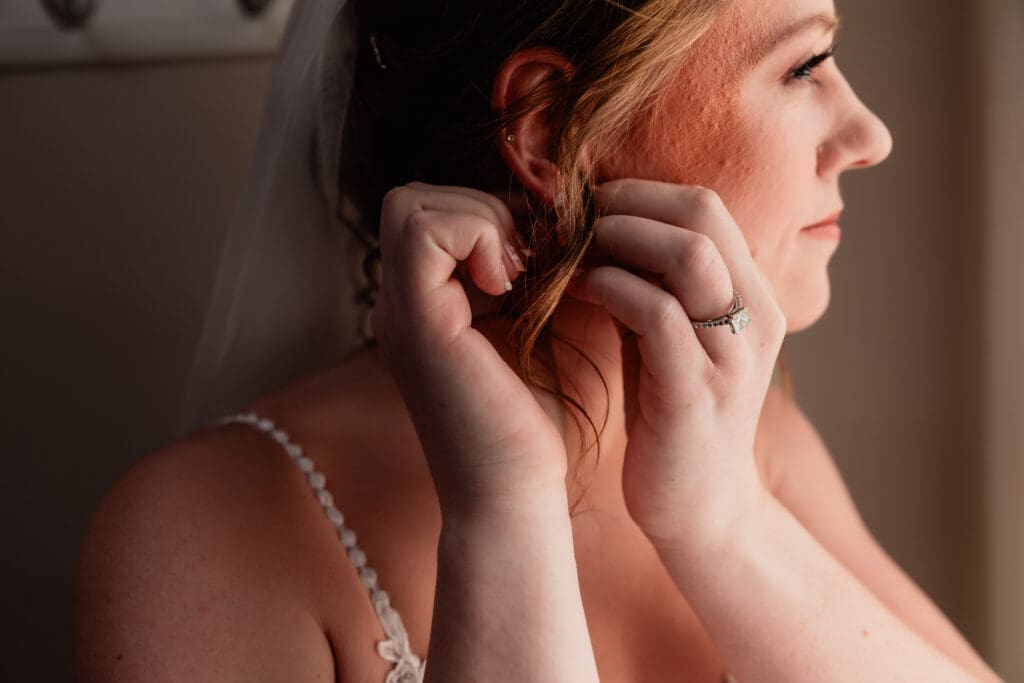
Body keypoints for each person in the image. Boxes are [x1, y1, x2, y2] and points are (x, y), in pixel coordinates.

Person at [73, 0, 1003, 681]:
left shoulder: (752, 446)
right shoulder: (197, 533)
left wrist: (721, 525)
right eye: (803, 68)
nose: (870, 133)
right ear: (550, 131)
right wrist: (504, 515)